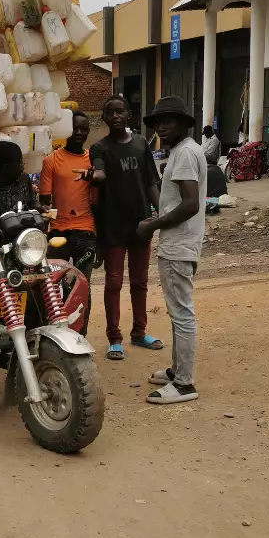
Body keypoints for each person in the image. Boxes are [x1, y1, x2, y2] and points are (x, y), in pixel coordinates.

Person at [137, 96, 207, 405]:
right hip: (180, 242)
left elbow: (190, 204)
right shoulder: (184, 151)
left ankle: (184, 384)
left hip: (179, 245)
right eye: (157, 122)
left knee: (182, 314)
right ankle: (177, 371)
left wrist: (153, 225)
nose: (161, 127)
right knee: (178, 312)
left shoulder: (185, 153)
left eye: (168, 121)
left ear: (182, 123)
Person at [89, 96, 163, 360]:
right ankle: (114, 338)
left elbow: (151, 182)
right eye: (110, 112)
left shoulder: (141, 144)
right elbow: (98, 172)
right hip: (112, 225)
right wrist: (95, 175)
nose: (115, 116)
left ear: (129, 114)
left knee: (140, 282)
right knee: (113, 282)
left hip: (141, 223)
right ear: (104, 118)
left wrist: (162, 215)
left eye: (120, 111)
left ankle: (139, 332)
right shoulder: (99, 148)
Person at [39, 112, 98, 332]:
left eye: (84, 129)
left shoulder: (93, 161)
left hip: (86, 233)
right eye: (75, 129)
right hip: (58, 234)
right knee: (53, 286)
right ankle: (55, 332)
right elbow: (45, 202)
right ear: (66, 130)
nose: (79, 133)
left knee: (83, 286)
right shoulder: (51, 160)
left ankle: (81, 334)